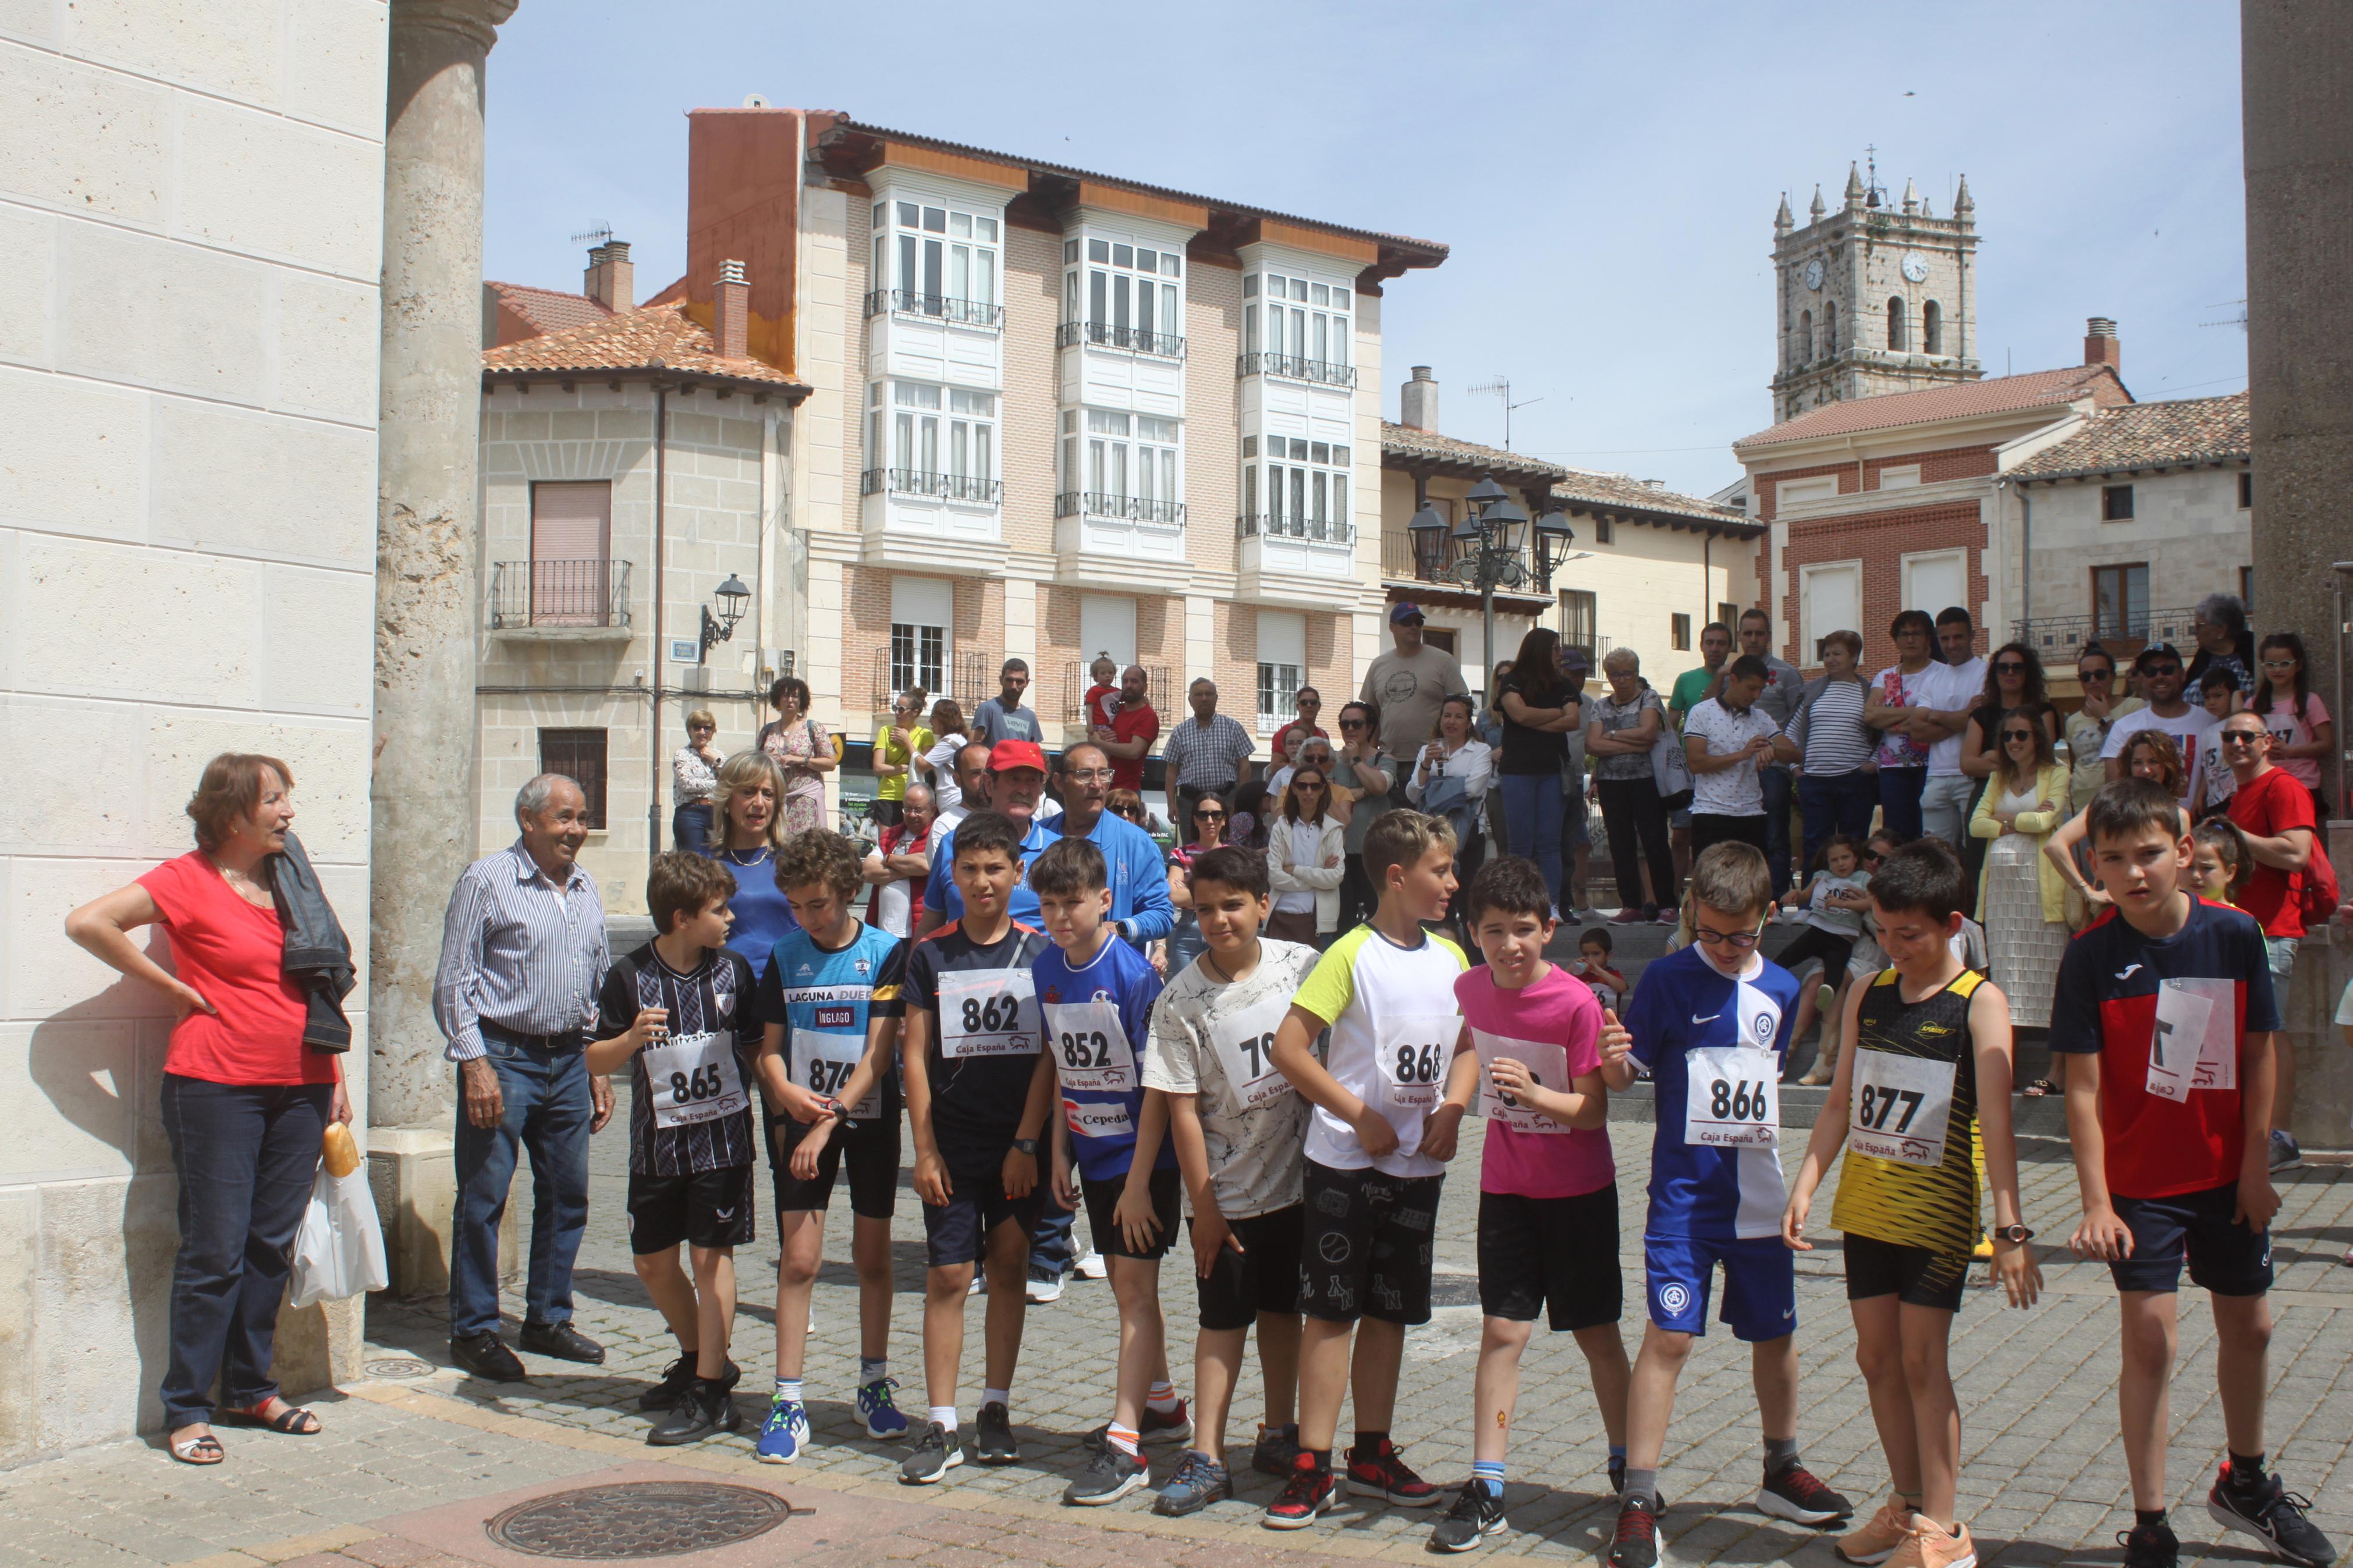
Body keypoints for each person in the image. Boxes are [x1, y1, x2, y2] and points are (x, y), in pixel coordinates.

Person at [2052, 779, 2332, 1568]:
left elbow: (2255, 1055)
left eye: (2147, 853)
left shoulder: (2234, 934)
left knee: (2252, 1325)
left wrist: (2252, 1166)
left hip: (2224, 1177)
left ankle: (2245, 1482)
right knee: (2149, 1340)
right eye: (2112, 859)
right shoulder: (2089, 955)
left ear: (2181, 852)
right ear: (2094, 867)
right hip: (2139, 1185)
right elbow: (2078, 1085)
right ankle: (2147, 1520)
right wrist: (2095, 1200)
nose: (2133, 872)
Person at [65, 754, 354, 1464]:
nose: (289, 813)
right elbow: (88, 922)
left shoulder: (293, 881)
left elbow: (315, 985)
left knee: (267, 1245)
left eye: (288, 798)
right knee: (214, 1250)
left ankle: (252, 1387)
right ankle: (187, 1407)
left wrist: (336, 1071)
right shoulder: (186, 880)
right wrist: (166, 986)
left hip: (304, 1083)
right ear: (232, 815)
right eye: (275, 801)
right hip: (216, 1085)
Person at [1783, 844, 2039, 1568]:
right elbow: (1839, 1102)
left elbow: (1995, 1121)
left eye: (1911, 935)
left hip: (1936, 1211)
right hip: (1865, 1206)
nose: (1896, 949)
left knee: (1924, 1361)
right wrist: (1805, 1182)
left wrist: (2010, 1226)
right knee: (1875, 1358)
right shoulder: (1868, 991)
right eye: (1885, 933)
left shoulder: (1979, 1002)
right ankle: (1903, 1504)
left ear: (1951, 922)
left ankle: (1944, 1528)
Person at [1599, 841, 1854, 1568]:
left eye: (1736, 934)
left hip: (1759, 1202)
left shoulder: (1776, 986)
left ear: (1767, 918)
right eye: (1706, 931)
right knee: (1669, 1337)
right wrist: (1614, 1057)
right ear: (1690, 914)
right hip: (1682, 1200)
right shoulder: (1667, 979)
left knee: (1774, 1338)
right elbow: (1625, 1078)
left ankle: (1781, 1467)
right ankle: (1638, 1496)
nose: (1719, 946)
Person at [1261, 810, 1467, 1530]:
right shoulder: (1348, 953)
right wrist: (1357, 1114)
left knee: (1390, 1313)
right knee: (1331, 1311)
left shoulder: (1451, 957)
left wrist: (1454, 1107)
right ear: (1396, 877)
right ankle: (1311, 1462)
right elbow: (1290, 1050)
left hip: (1418, 1169)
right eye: (1441, 871)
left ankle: (1372, 1451)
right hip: (1347, 1166)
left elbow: (1467, 1045)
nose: (1452, 882)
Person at [1427, 857, 1632, 1552]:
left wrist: (1533, 1093)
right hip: (1505, 1189)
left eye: (1522, 930)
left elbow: (1592, 1111)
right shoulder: (1469, 987)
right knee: (1502, 1332)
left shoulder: (1576, 1002)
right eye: (1493, 932)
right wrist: (1457, 1105)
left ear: (1548, 929)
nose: (1508, 945)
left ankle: (1628, 1467)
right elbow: (1468, 1042)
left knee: (1596, 1334)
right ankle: (1486, 1484)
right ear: (1474, 934)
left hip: (1577, 1192)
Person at [1136, 845, 1319, 1516]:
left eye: (1233, 905)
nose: (1218, 920)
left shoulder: (1301, 967)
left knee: (1282, 1310)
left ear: (1263, 904)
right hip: (1226, 1193)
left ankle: (1278, 1431)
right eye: (1205, 908)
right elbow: (1180, 1108)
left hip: (1297, 1183)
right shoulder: (1180, 999)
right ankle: (1208, 1454)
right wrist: (1205, 1205)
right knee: (1222, 1320)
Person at [430, 774, 614, 1382]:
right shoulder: (487, 880)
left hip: (568, 1061)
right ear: (528, 819)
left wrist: (597, 1062)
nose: (576, 830)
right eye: (564, 817)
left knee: (568, 1194)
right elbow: (455, 978)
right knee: (484, 1196)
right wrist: (473, 1061)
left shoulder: (586, 888)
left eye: (583, 817)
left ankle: (547, 1318)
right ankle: (475, 1329)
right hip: (504, 1058)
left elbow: (596, 981)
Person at [897, 811, 1057, 1484]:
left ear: (1016, 872)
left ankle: (995, 1407)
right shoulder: (929, 953)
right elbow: (912, 1055)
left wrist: (1028, 1141)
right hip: (954, 1143)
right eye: (968, 869)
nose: (982, 880)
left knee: (1011, 1268)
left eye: (995, 868)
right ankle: (940, 1421)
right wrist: (925, 1150)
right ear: (952, 875)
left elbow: (1050, 1054)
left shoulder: (1039, 952)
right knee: (948, 1276)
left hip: (1019, 1142)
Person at [1028, 838, 1190, 1506]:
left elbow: (1159, 1085)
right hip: (1089, 1152)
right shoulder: (1046, 969)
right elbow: (1059, 1059)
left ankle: (1127, 1442)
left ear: (1103, 901)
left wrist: (1135, 1181)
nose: (1062, 916)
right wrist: (1061, 1150)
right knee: (1130, 1288)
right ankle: (1162, 1404)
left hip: (1140, 1159)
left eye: (1074, 902)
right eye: (1049, 905)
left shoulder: (1131, 976)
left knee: (1131, 1292)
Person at [750, 830, 913, 1463]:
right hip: (801, 1115)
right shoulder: (786, 954)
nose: (808, 918)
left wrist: (829, 1120)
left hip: (864, 1117)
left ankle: (872, 1383)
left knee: (872, 1258)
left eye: (818, 903)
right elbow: (766, 1047)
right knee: (798, 1260)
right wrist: (785, 1090)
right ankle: (787, 1399)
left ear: (849, 892)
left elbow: (878, 1054)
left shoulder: (887, 952)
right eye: (796, 906)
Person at [587, 852, 758, 1445]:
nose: (730, 917)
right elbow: (593, 1056)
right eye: (719, 909)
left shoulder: (734, 971)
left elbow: (761, 1046)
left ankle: (712, 1392)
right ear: (682, 917)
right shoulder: (629, 976)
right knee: (653, 1263)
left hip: (722, 1143)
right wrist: (630, 1038)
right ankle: (698, 1356)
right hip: (656, 1149)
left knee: (712, 1262)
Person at [2220, 712, 2319, 1175]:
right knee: (2253, 1035)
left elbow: (2297, 852)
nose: (2237, 742)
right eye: (2229, 736)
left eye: (2246, 735)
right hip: (2244, 929)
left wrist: (2234, 837)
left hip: (2273, 929)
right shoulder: (2239, 793)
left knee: (2270, 1034)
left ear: (2266, 742)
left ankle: (2280, 1139)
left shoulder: (2282, 787)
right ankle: (2260, 1135)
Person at [1968, 705, 2070, 1034]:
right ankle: (2005, 1054)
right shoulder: (1999, 777)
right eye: (2008, 735)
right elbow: (1975, 826)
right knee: (2007, 971)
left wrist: (2002, 819)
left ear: (2037, 738)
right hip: (2001, 894)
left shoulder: (2057, 773)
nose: (2014, 741)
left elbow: (2045, 821)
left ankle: (2056, 1064)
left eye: (2022, 734)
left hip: (2040, 890)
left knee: (2050, 971)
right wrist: (2019, 823)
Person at [1493, 627, 1584, 909]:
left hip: (1552, 772)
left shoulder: (1564, 685)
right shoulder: (1513, 680)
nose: (1560, 655)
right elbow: (1517, 713)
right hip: (1517, 772)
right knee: (1520, 845)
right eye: (1556, 649)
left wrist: (1533, 720)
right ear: (1541, 651)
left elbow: (1573, 721)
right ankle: (1520, 904)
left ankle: (1551, 905)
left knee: (1549, 843)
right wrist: (1556, 713)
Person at [1587, 648, 1680, 925]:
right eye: (1614, 674)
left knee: (1655, 841)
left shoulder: (1648, 698)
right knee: (1620, 844)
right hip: (1611, 783)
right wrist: (1633, 741)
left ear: (1636, 673)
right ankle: (1630, 904)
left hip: (1646, 780)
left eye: (1627, 673)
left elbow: (1649, 734)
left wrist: (1611, 735)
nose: (1621, 680)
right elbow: (1592, 744)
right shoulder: (1600, 706)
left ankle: (1667, 904)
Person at [1953, 644, 2056, 887]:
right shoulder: (1982, 715)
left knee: (2032, 869)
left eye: (2017, 667)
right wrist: (2017, 759)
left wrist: (1994, 756)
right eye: (2003, 668)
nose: (2010, 673)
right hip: (1986, 799)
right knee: (1982, 871)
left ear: (2028, 672)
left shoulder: (2044, 712)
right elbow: (1967, 764)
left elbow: (2044, 759)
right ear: (1994, 674)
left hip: (2032, 795)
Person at [1682, 655, 1797, 858]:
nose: (1756, 696)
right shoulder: (1702, 712)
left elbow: (1796, 754)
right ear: (1733, 681)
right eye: (1751, 688)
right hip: (1711, 812)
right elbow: (1696, 763)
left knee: (1752, 886)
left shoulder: (1761, 718)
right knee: (1711, 885)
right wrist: (1743, 754)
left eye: (1761, 690)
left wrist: (1771, 747)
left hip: (1752, 814)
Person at [1786, 630, 1877, 879]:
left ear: (1854, 657)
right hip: (1815, 780)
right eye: (1826, 654)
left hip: (1855, 780)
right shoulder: (1811, 692)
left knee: (1854, 843)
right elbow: (1792, 732)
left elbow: (1884, 735)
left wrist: (1872, 764)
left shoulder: (1869, 692)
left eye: (1837, 653)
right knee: (1815, 843)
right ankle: (1812, 902)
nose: (1830, 659)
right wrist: (1795, 768)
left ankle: (1853, 898)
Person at [1784, 836, 1873, 1086]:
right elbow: (1806, 896)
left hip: (1865, 952)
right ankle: (1783, 1054)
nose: (1841, 863)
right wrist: (1796, 895)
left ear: (1856, 858)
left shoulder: (1870, 883)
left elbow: (1879, 913)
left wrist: (1856, 904)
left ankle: (1827, 1060)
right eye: (1835, 859)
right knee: (1815, 984)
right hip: (1829, 938)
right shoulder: (1826, 877)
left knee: (1835, 982)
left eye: (1882, 859)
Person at [1408, 694, 1496, 931]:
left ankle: (1476, 962)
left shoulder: (1481, 750)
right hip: (1434, 836)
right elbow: (1413, 794)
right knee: (1437, 903)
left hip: (1468, 836)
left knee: (1469, 901)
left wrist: (1433, 787)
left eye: (1459, 716)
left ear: (1469, 723)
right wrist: (1427, 765)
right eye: (1447, 715)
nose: (1452, 721)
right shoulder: (1429, 749)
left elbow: (1474, 788)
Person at [703, 751, 799, 963]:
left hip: (787, 984)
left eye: (768, 794)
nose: (759, 802)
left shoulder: (794, 862)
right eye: (748, 792)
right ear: (727, 800)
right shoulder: (704, 864)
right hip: (726, 987)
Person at [1737, 610, 1808, 895]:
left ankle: (1777, 898)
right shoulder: (1734, 674)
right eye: (1748, 633)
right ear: (1740, 636)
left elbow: (1800, 721)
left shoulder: (1788, 673)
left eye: (1760, 633)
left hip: (1775, 769)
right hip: (1738, 769)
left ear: (1768, 636)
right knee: (1744, 838)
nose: (1754, 639)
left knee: (1776, 835)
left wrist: (1788, 760)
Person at [2103, 645, 2216, 810]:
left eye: (2167, 670)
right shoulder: (2124, 727)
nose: (2159, 676)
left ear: (2183, 674)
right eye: (2151, 672)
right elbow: (2115, 789)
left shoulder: (2209, 721)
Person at [1866, 611, 1946, 842]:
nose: (1910, 640)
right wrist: (1917, 713)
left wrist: (1891, 718)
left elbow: (1938, 717)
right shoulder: (1885, 676)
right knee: (1897, 837)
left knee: (1929, 832)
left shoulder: (1942, 673)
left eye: (1916, 634)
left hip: (1932, 765)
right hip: (1893, 768)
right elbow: (1870, 715)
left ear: (1928, 638)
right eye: (1904, 634)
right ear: (1896, 640)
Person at [1362, 602, 1470, 766]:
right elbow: (1372, 714)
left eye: (1418, 622)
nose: (1414, 626)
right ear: (1392, 627)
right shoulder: (1378, 665)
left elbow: (1463, 706)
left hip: (1433, 757)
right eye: (1407, 622)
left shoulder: (1443, 660)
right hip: (1387, 759)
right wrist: (1370, 754)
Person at [2252, 632, 2333, 820]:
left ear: (2299, 665)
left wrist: (2291, 751)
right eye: (2271, 665)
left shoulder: (2310, 701)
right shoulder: (2253, 704)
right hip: (2265, 784)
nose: (2277, 670)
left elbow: (2327, 743)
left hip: (2302, 784)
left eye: (2285, 664)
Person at [1335, 700, 1399, 929]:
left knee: (1378, 917)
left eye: (1357, 724)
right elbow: (1329, 798)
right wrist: (1364, 791)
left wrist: (1355, 760)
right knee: (1343, 920)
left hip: (1375, 853)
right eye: (1345, 724)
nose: (1350, 729)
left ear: (1370, 728)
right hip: (1340, 853)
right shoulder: (1331, 760)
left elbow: (1380, 787)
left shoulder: (1385, 759)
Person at [1163, 678, 1258, 831]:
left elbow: (1245, 767)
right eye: (1199, 694)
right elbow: (1171, 772)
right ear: (1190, 700)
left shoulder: (1233, 727)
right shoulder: (1179, 732)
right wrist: (1171, 804)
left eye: (1209, 694)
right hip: (1190, 803)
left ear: (1216, 698)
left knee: (1226, 848)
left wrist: (1240, 800)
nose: (1204, 698)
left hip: (1227, 800)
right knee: (1192, 851)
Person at [1268, 766, 1346, 947]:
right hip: (1279, 917)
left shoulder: (1333, 830)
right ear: (1294, 789)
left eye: (1315, 786)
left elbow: (1335, 878)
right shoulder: (1281, 827)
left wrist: (1294, 870)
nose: (1308, 792)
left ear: (1322, 790)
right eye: (1302, 786)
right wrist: (1318, 876)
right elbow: (1273, 876)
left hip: (1318, 923)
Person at [2067, 646, 2145, 815]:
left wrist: (2105, 717)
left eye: (2100, 675)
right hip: (2082, 805)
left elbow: (2135, 752)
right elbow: (2075, 765)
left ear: (2113, 676)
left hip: (2121, 802)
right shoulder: (2073, 721)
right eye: (2086, 677)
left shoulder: (2134, 707)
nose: (2093, 681)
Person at [759, 675, 837, 835]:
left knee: (803, 845)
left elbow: (831, 763)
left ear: (802, 701)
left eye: (795, 696)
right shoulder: (768, 731)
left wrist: (801, 760)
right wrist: (768, 760)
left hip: (805, 797)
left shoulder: (813, 727)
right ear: (778, 700)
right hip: (776, 797)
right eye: (786, 695)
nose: (790, 700)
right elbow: (756, 763)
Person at [861, 782, 935, 939]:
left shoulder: (936, 835)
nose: (912, 814)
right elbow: (868, 872)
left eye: (918, 810)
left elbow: (926, 864)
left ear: (932, 810)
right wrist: (909, 870)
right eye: (907, 809)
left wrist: (889, 859)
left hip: (919, 932)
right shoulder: (891, 836)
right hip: (884, 934)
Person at [1089, 664, 1162, 796]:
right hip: (1102, 787)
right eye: (1125, 681)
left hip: (1126, 791)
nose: (1129, 685)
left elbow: (1134, 751)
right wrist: (1095, 735)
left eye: (1134, 681)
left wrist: (1099, 743)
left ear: (1145, 687)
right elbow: (1094, 729)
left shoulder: (1148, 716)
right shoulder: (1116, 709)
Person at [871, 689, 934, 830]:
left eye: (901, 709)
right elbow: (878, 768)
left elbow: (923, 765)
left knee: (912, 845)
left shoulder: (925, 735)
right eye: (895, 708)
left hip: (914, 798)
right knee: (886, 845)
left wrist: (907, 741)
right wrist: (907, 767)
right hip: (888, 796)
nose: (897, 713)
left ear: (915, 712)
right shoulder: (885, 731)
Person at [2194, 667, 2245, 820]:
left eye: (2218, 696)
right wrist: (2200, 795)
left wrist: (2237, 698)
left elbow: (2240, 720)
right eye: (2207, 697)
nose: (2212, 702)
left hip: (2237, 797)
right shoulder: (2207, 732)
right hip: (2214, 800)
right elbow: (2207, 768)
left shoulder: (2240, 723)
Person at [2186, 591, 2256, 702]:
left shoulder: (2252, 659)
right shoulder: (2200, 662)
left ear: (2221, 630)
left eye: (2199, 626)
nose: (2194, 631)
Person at [672, 709, 724, 853]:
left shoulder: (719, 755)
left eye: (707, 728)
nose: (702, 732)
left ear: (713, 732)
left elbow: (733, 779)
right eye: (697, 727)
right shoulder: (682, 755)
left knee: (717, 862)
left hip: (716, 814)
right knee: (693, 862)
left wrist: (716, 760)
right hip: (691, 813)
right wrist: (718, 785)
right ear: (690, 730)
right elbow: (687, 784)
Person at [973, 657, 1043, 745]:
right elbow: (972, 749)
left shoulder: (1031, 717)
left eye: (1019, 681)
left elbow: (1034, 751)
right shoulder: (987, 709)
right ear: (1001, 680)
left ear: (1027, 683)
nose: (1014, 686)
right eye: (1009, 680)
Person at [922, 699, 972, 814]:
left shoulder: (949, 742)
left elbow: (922, 766)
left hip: (951, 800)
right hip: (955, 799)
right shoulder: (960, 739)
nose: (930, 721)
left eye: (933, 716)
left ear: (944, 718)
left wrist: (907, 741)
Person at [932, 741, 991, 835]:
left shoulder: (1009, 817)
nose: (985, 779)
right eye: (975, 773)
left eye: (989, 772)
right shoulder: (946, 826)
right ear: (958, 780)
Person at [2192, 817, 2252, 907]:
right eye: (2189, 867)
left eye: (2207, 868)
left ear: (2229, 872)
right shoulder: (2170, 918)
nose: (2195, 875)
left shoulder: (2240, 920)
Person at [1270, 686, 1328, 766]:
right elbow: (1275, 766)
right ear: (1298, 707)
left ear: (1319, 707)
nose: (1309, 706)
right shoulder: (1286, 731)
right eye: (1304, 703)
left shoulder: (1323, 735)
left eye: (1313, 702)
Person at [1577, 926, 1630, 1012]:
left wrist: (1601, 972)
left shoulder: (1611, 974)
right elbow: (1560, 986)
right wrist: (1570, 969)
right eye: (1586, 954)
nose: (1590, 959)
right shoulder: (1581, 975)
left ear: (1609, 955)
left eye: (1596, 954)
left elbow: (1622, 988)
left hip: (1607, 1022)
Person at [1081, 655, 1122, 731]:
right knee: (1111, 739)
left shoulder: (1117, 692)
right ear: (1095, 676)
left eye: (1110, 673)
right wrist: (1090, 724)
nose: (1108, 676)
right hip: (1100, 725)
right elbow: (1089, 709)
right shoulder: (1094, 691)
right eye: (1103, 673)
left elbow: (1130, 700)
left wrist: (1142, 699)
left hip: (1114, 724)